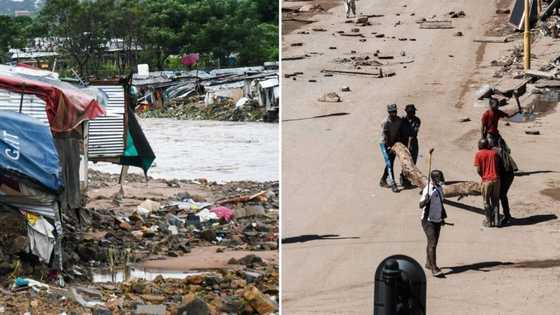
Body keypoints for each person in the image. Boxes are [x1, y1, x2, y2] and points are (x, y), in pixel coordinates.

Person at [419, 169, 447, 277]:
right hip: (428, 220)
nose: (441, 180)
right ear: (434, 178)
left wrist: (442, 218)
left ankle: (428, 263)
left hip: (437, 220)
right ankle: (434, 268)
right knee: (433, 243)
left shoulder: (439, 188)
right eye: (439, 178)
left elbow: (440, 204)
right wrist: (426, 200)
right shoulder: (428, 190)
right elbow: (420, 205)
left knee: (431, 242)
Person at [474, 138, 500, 227]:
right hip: (497, 180)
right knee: (496, 200)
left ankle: (488, 221)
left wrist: (483, 176)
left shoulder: (478, 154)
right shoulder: (494, 153)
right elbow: (498, 166)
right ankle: (497, 221)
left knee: (486, 201)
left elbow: (478, 170)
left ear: (480, 145)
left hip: (486, 181)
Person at [491, 138, 515, 225]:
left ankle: (507, 216)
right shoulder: (500, 150)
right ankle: (505, 215)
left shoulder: (494, 152)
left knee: (501, 195)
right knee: (501, 195)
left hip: (506, 175)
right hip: (508, 174)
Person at [380, 104, 403, 193]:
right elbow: (386, 136)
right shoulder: (385, 122)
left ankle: (383, 180)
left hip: (393, 143)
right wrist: (389, 146)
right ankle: (393, 184)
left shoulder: (399, 120)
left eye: (395, 111)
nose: (394, 113)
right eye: (392, 112)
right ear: (389, 112)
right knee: (389, 163)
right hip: (384, 144)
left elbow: (398, 132)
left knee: (390, 162)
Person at [400, 104, 421, 187]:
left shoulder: (417, 120)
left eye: (413, 112)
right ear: (407, 112)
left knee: (413, 161)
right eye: (411, 112)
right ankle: (404, 178)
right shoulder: (403, 120)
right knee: (405, 162)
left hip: (413, 142)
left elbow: (414, 132)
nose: (413, 113)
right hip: (404, 142)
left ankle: (409, 178)